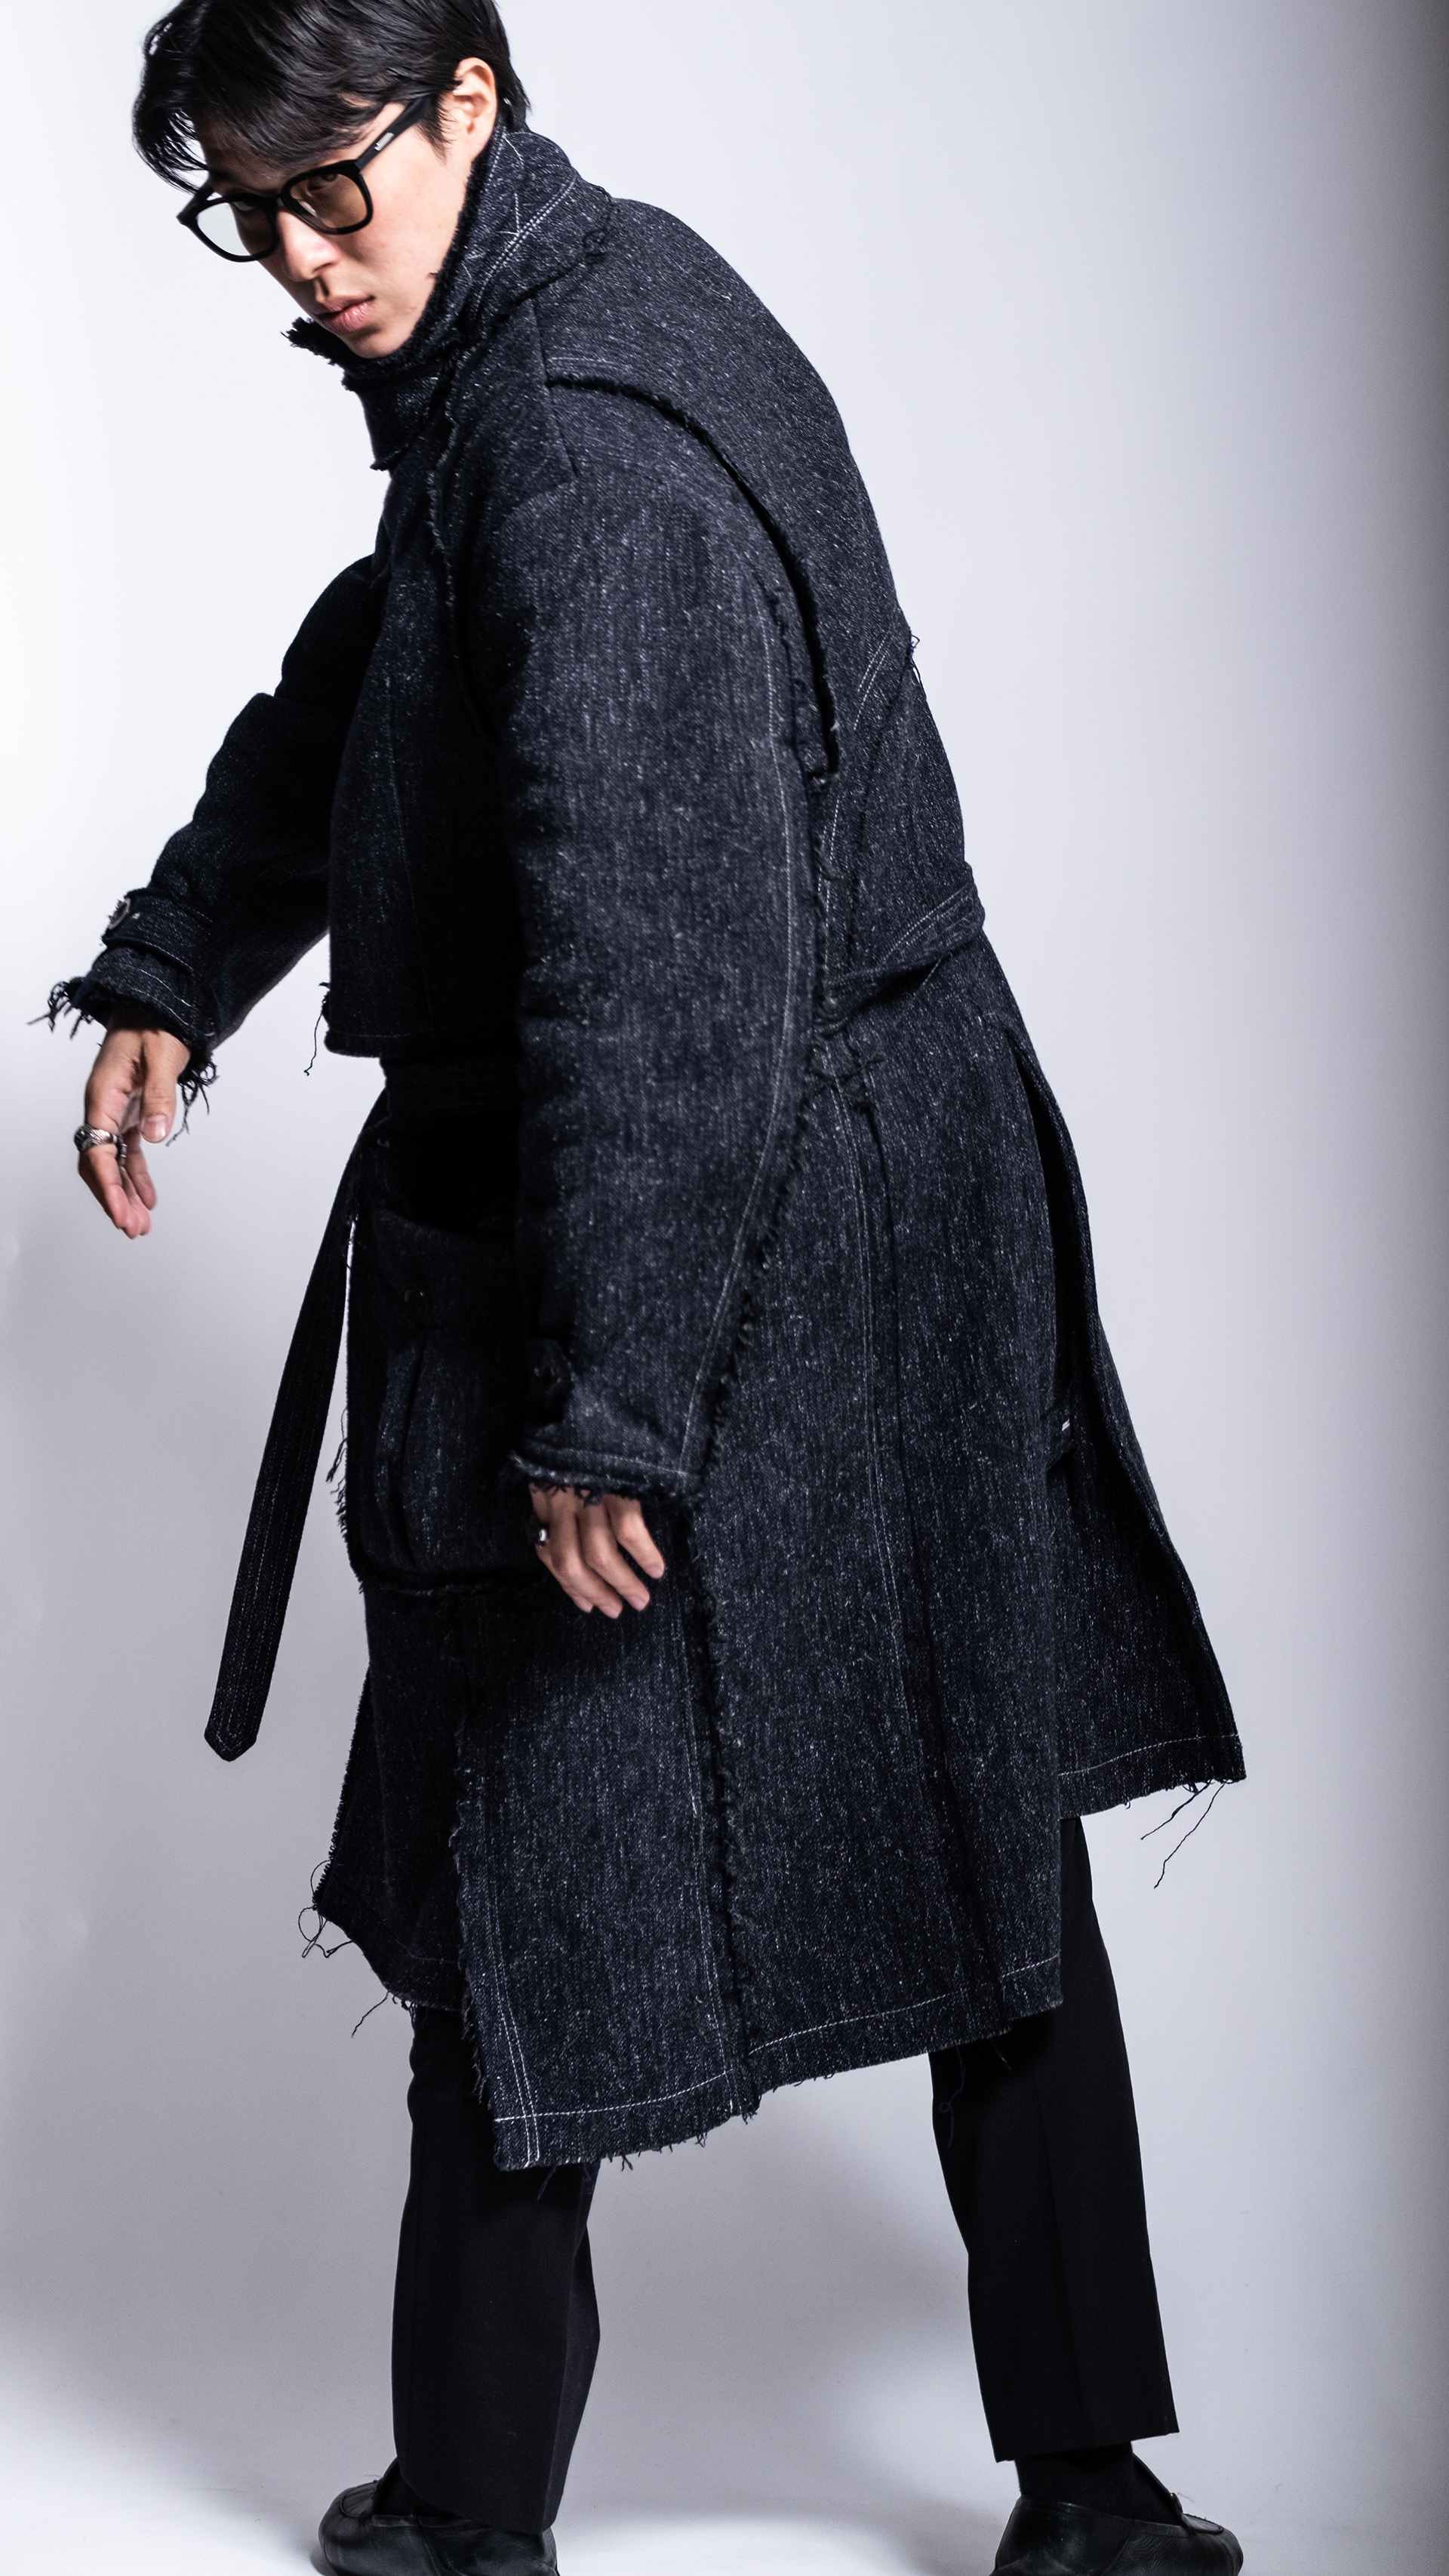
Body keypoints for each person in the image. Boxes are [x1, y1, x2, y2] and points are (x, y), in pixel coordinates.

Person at [53, 7, 1247, 2571]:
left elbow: (659, 959)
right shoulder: (571, 321)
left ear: (470, 97)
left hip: (740, 1220)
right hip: (860, 1202)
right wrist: (181, 958)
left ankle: (469, 2520)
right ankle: (1094, 2499)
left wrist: (612, 1406)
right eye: (250, 209)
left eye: (336, 186)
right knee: (973, 1811)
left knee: (536, 1837)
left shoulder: (585, 443)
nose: (302, 255)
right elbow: (399, 658)